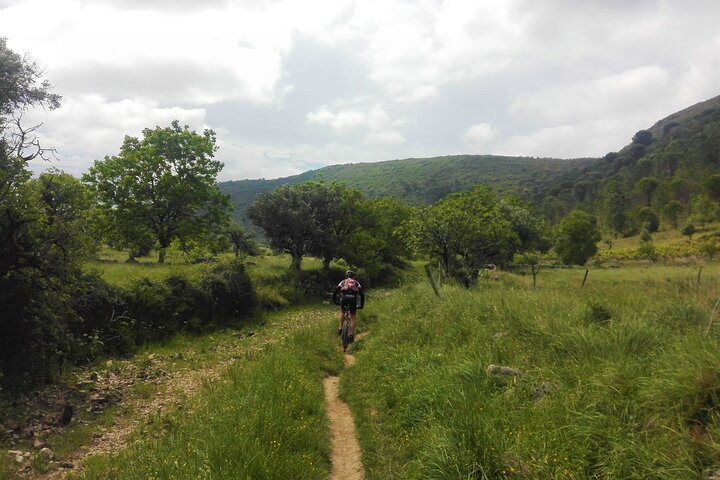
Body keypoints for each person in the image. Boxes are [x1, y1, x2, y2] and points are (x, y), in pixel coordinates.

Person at [333, 270, 365, 343]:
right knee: (352, 316)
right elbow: (362, 294)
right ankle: (351, 334)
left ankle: (340, 328)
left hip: (344, 298)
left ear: (346, 276)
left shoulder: (343, 282)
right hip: (353, 299)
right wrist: (361, 305)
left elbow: (335, 292)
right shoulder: (356, 283)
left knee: (342, 311)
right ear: (354, 277)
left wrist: (335, 301)